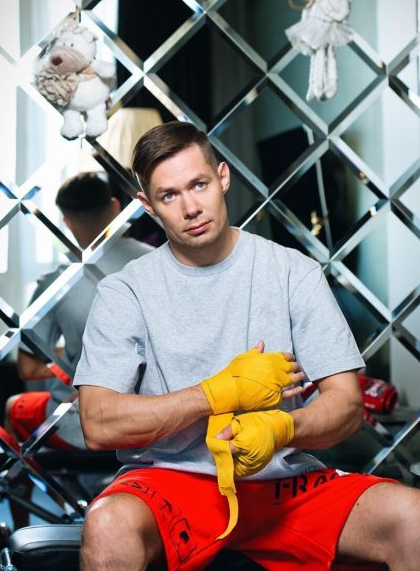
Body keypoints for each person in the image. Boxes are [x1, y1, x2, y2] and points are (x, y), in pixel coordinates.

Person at [74, 122, 420, 570]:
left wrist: (281, 429)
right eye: (169, 195)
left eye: (199, 185)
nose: (191, 208)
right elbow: (98, 423)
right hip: (170, 481)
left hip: (283, 486)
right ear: (147, 205)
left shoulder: (293, 272)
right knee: (107, 524)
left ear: (223, 176)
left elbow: (347, 405)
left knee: (412, 517)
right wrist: (217, 393)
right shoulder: (124, 292)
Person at [5, 172, 153, 452]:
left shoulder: (56, 282)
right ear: (115, 208)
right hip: (152, 418)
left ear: (68, 222)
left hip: (82, 423)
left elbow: (28, 368)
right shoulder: (158, 261)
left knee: (14, 406)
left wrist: (82, 352)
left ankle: (36, 479)